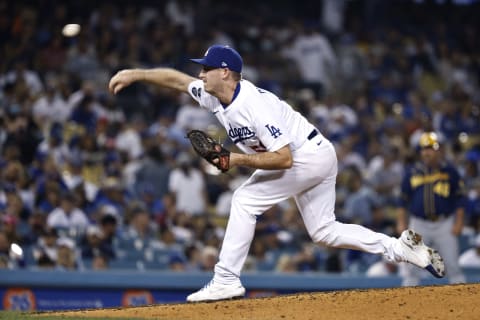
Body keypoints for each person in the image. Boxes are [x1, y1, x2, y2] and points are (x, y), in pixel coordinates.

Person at [109, 44, 445, 302]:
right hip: (316, 153)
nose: (201, 74)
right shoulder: (215, 97)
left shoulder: (252, 105)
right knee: (323, 231)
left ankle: (226, 279)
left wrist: (235, 160)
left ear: (225, 72)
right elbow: (177, 80)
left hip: (305, 156)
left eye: (207, 68)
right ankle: (401, 249)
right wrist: (135, 74)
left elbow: (283, 159)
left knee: (244, 200)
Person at [396, 132, 466, 286]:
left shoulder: (450, 172)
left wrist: (459, 222)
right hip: (419, 224)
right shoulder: (412, 173)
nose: (427, 152)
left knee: (453, 266)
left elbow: (461, 199)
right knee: (412, 269)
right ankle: (406, 302)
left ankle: (464, 305)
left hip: (444, 223)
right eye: (424, 149)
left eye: (431, 148)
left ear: (439, 151)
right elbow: (402, 201)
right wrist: (401, 223)